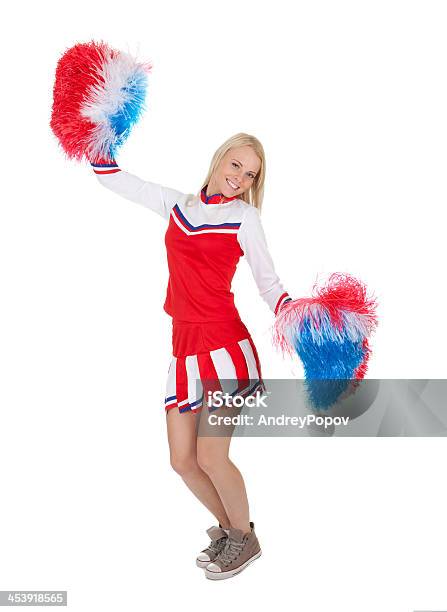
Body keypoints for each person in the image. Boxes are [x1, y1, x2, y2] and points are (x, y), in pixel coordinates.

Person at [91, 132, 291, 580]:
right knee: (182, 460)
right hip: (183, 349)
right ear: (220, 159)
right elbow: (119, 179)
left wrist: (298, 313)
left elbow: (268, 283)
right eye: (236, 165)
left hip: (224, 351)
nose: (240, 178)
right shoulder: (179, 207)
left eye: (251, 173)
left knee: (212, 457)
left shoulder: (245, 218)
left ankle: (244, 539)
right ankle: (231, 532)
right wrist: (94, 138)